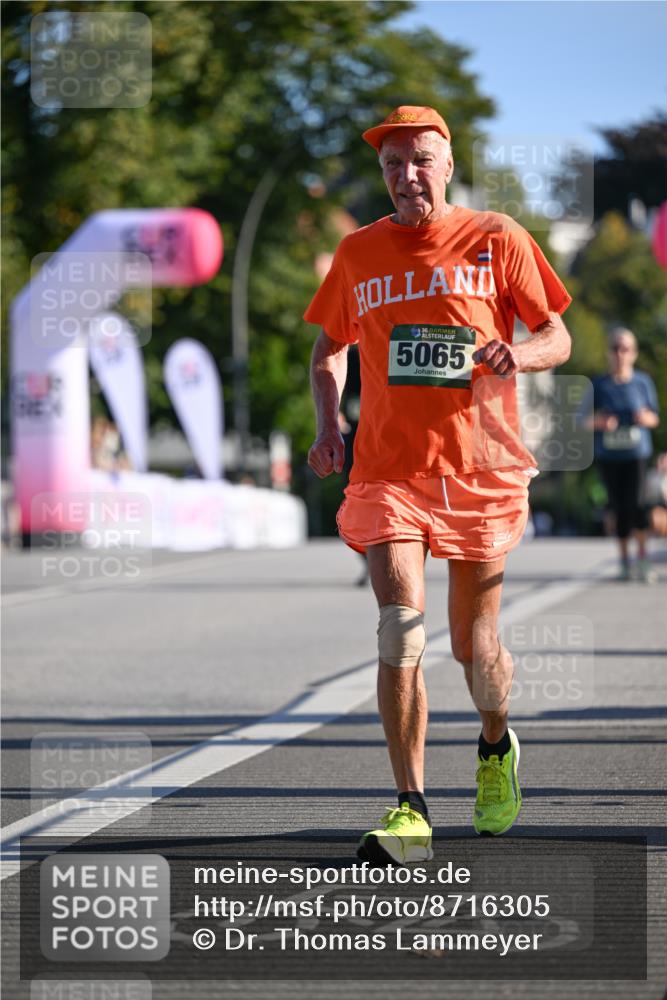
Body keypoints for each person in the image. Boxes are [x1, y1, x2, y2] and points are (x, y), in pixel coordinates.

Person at [305, 106, 572, 863]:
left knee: (473, 646)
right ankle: (410, 808)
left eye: (421, 160)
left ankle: (494, 745)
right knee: (400, 629)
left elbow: (556, 333)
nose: (407, 175)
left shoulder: (497, 237)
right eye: (393, 164)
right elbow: (327, 350)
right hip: (389, 470)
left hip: (481, 467)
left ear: (448, 165)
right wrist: (329, 425)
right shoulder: (358, 252)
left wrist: (519, 355)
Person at [588, 327, 660, 582]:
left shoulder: (642, 382)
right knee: (618, 508)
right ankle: (624, 562)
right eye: (615, 348)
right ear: (609, 353)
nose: (620, 354)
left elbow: (655, 418)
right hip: (610, 455)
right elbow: (581, 419)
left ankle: (642, 559)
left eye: (625, 348)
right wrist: (601, 422)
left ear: (634, 353)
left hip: (636, 454)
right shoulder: (598, 384)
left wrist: (643, 418)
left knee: (638, 505)